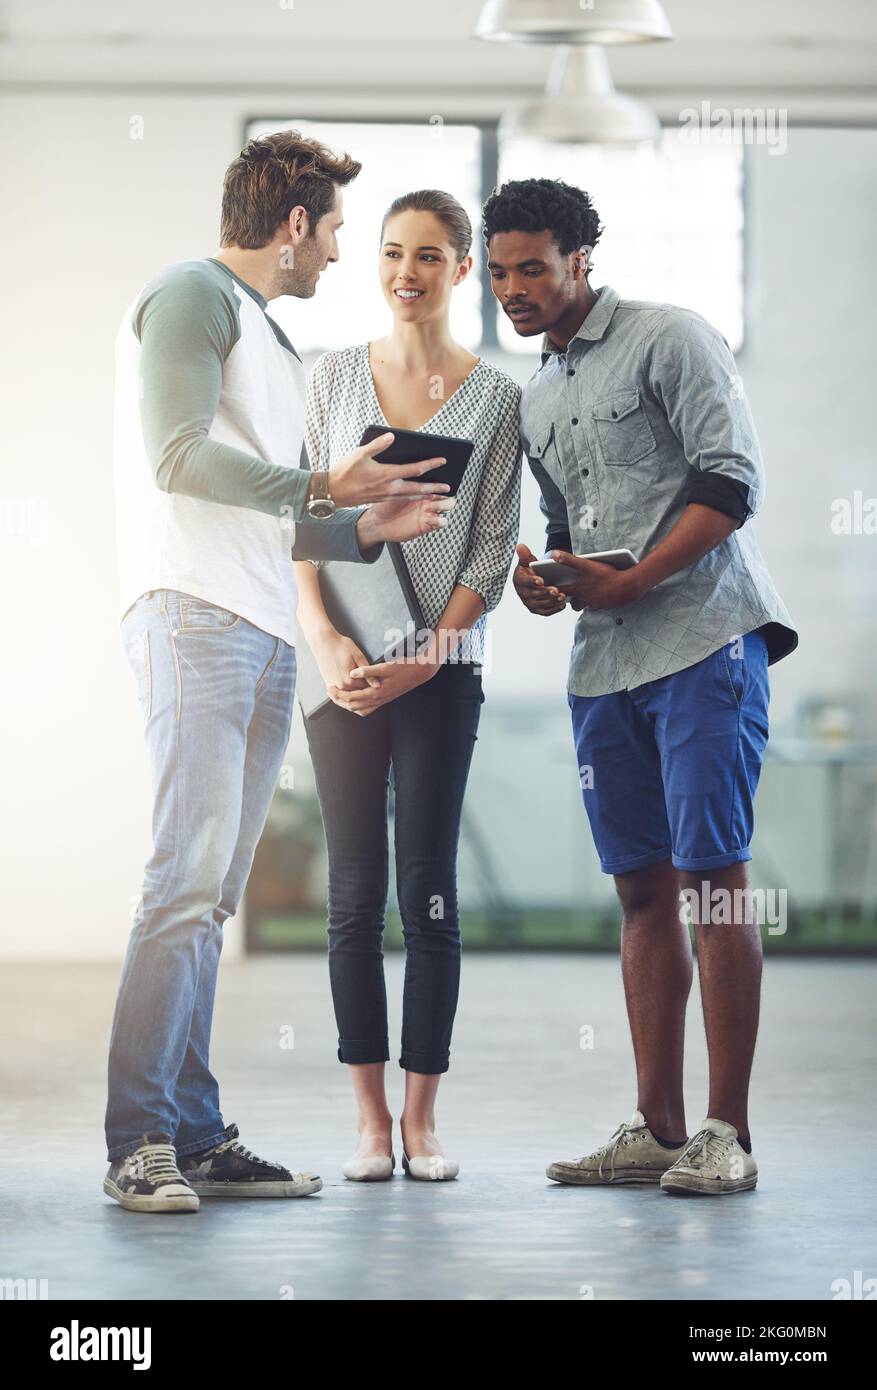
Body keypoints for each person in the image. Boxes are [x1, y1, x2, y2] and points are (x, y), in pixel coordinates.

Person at [105, 131, 455, 1214]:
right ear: (295, 224)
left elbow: (275, 515)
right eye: (341, 229)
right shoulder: (189, 295)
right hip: (192, 617)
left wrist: (361, 523)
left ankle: (197, 1134)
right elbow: (177, 456)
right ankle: (139, 1143)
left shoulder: (266, 337)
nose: (344, 253)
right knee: (181, 885)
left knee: (209, 900)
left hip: (255, 627)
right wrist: (323, 482)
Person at [484, 177, 798, 1195]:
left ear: (580, 257)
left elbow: (727, 481)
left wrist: (632, 579)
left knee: (713, 877)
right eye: (498, 273)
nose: (514, 288)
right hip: (606, 665)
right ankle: (659, 1128)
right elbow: (572, 530)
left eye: (532, 266)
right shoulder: (536, 397)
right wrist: (551, 581)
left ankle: (726, 1132)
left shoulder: (672, 336)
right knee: (640, 888)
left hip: (705, 642)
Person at [294, 189, 522, 1182]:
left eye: (430, 254)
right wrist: (321, 640)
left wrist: (433, 649)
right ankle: (366, 1122)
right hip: (342, 667)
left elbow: (491, 542)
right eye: (391, 251)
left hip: (438, 669)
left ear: (461, 268)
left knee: (427, 889)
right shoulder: (330, 376)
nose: (405, 271)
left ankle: (423, 1119)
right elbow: (297, 517)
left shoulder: (497, 398)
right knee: (352, 897)